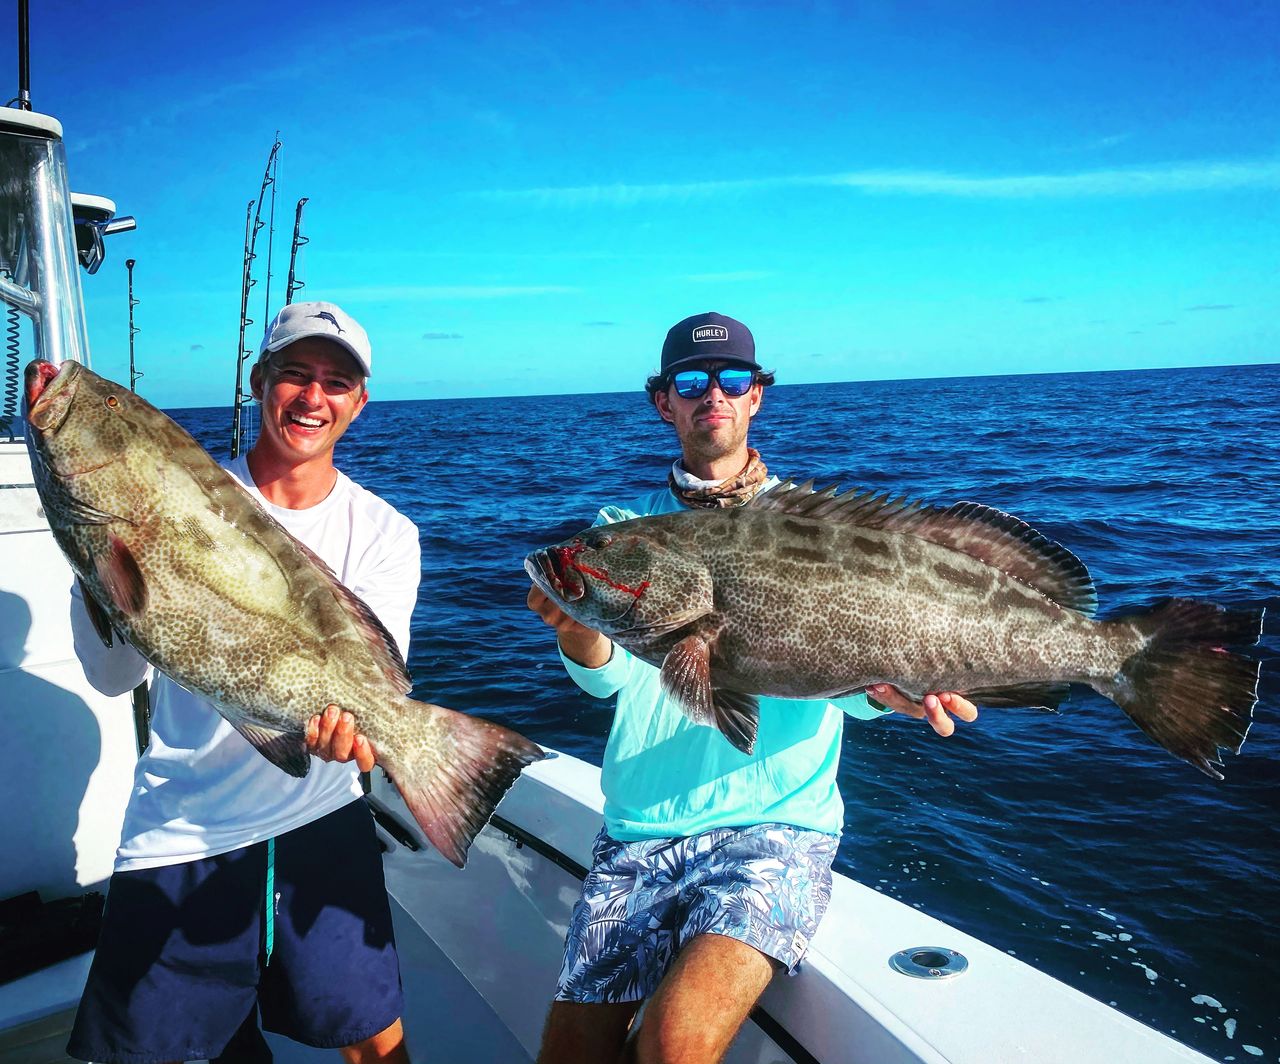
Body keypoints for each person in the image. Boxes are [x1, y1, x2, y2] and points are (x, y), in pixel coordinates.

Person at [527, 311, 979, 1064]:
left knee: (675, 1043)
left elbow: (843, 680)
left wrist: (883, 694)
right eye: (692, 382)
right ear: (662, 401)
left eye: (733, 379)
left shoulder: (813, 527)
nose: (714, 394)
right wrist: (576, 625)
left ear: (756, 396)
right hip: (639, 832)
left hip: (777, 829)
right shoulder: (622, 527)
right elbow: (605, 683)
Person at [67, 301, 420, 1064]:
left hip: (321, 816)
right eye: (294, 374)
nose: (312, 397)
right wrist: (101, 568)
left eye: (335, 381)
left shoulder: (389, 532)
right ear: (259, 381)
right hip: (181, 831)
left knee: (376, 1042)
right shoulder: (171, 498)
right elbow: (109, 676)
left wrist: (358, 738)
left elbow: (375, 696)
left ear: (360, 402)